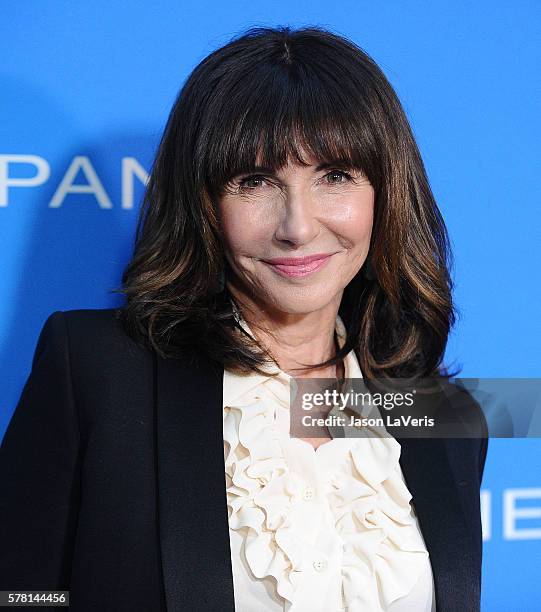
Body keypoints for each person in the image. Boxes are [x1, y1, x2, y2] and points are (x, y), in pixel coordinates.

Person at [0, 25, 488, 612]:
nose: (298, 227)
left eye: (335, 176)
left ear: (386, 193)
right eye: (254, 182)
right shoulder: (98, 372)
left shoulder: (445, 414)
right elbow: (21, 593)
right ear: (203, 204)